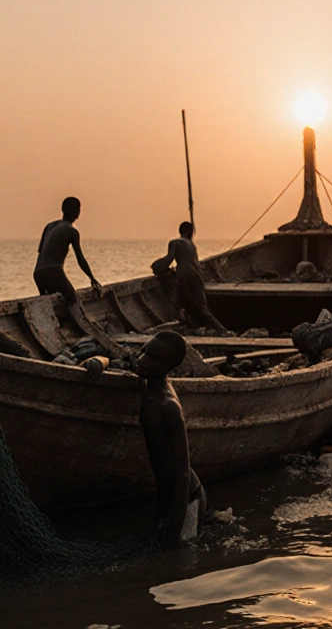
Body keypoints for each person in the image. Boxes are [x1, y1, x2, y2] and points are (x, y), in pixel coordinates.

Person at [135, 331, 207, 545]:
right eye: (143, 351)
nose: (142, 360)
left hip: (186, 496)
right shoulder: (148, 380)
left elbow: (183, 475)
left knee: (180, 555)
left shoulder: (168, 407)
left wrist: (174, 533)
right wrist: (97, 361)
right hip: (165, 491)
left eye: (152, 358)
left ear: (168, 366)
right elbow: (116, 360)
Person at [151, 222, 227, 333]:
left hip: (184, 275)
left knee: (182, 306)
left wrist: (156, 267)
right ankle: (220, 329)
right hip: (197, 276)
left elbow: (169, 259)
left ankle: (220, 329)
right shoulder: (192, 245)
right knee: (200, 307)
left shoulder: (175, 242)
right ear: (189, 232)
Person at [34, 197, 103, 306]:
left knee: (53, 302)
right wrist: (92, 278)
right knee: (72, 299)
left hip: (38, 274)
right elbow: (80, 259)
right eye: (78, 209)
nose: (79, 211)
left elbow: (40, 255)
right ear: (77, 212)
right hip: (54, 272)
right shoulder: (72, 232)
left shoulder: (49, 226)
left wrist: (39, 283)